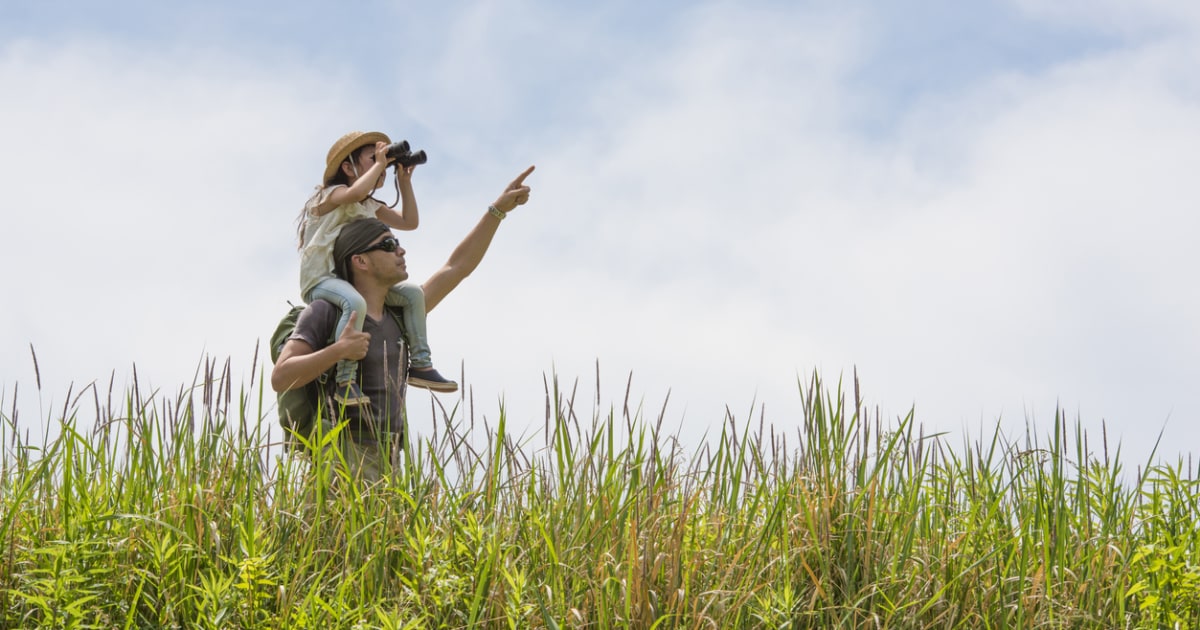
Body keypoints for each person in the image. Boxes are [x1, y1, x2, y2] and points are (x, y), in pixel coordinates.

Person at [272, 166, 535, 483]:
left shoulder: (401, 315)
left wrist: (497, 211)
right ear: (361, 261)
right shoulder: (324, 312)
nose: (400, 249)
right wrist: (339, 350)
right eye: (386, 244)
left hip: (390, 457)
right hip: (340, 455)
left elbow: (456, 267)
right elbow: (282, 376)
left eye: (396, 241)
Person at [295, 130, 456, 407]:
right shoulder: (332, 195)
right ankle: (345, 381)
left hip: (349, 280)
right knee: (354, 302)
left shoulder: (368, 204)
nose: (382, 163)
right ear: (348, 167)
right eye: (373, 158)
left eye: (385, 158)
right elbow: (355, 191)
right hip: (320, 280)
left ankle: (420, 364)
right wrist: (383, 163)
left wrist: (403, 180)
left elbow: (409, 221)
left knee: (413, 295)